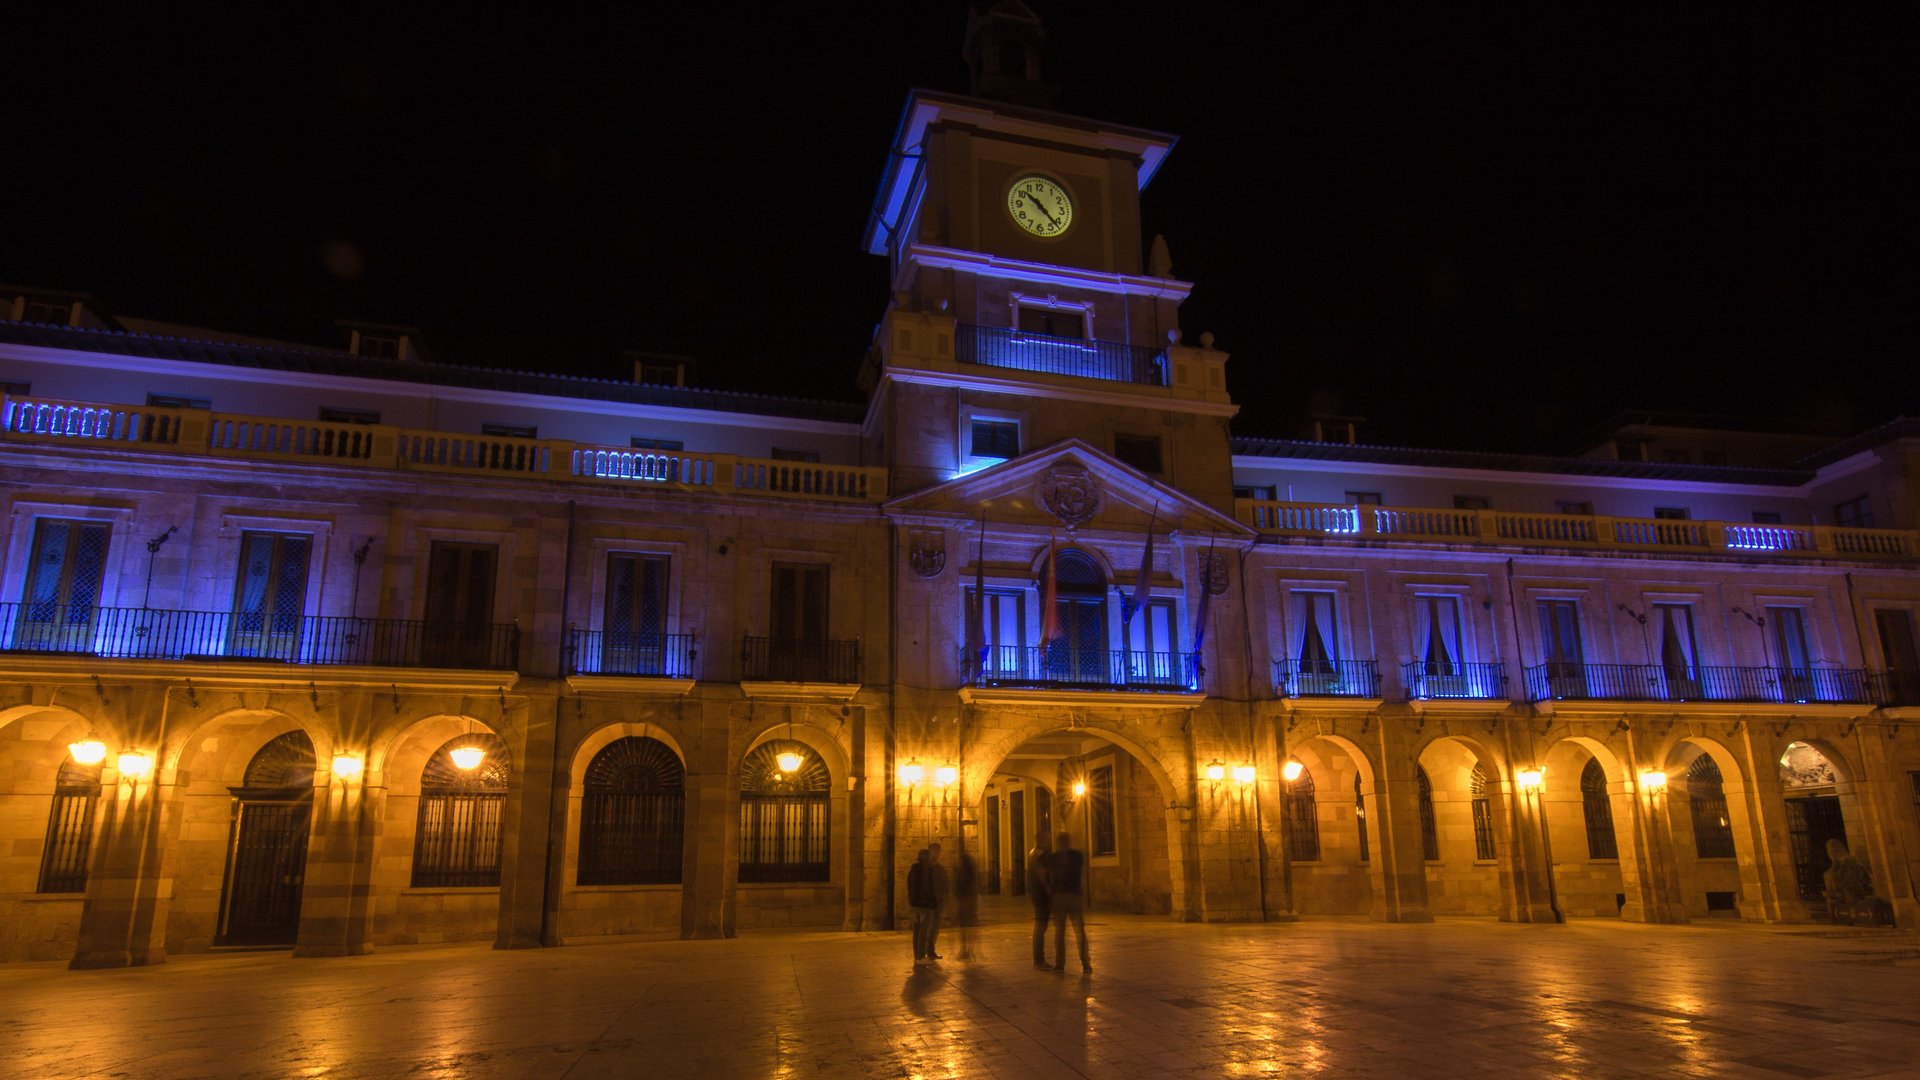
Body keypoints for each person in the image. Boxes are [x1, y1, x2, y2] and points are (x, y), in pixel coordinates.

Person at [1045, 830, 1090, 973]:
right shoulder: (1077, 856)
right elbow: (1082, 875)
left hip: (1059, 897)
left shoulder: (1053, 858)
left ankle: (1060, 964)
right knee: (1080, 932)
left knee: (1060, 932)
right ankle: (1086, 964)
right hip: (1075, 896)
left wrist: (1049, 892)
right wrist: (1082, 892)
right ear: (1069, 841)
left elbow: (1048, 876)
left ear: (1058, 842)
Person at [1025, 833, 1053, 968]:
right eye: (1048, 838)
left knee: (1039, 926)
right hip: (1041, 895)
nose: (1050, 840)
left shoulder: (1032, 853)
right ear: (1042, 840)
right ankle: (1039, 960)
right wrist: (1048, 889)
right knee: (1041, 926)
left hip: (1036, 894)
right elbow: (1041, 873)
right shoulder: (1041, 854)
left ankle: (1038, 959)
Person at [907, 848, 937, 965]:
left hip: (914, 905)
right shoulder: (925, 870)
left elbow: (910, 887)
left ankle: (917, 955)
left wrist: (912, 901)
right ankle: (920, 956)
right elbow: (927, 888)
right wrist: (931, 902)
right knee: (923, 931)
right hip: (924, 905)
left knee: (916, 931)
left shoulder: (913, 870)